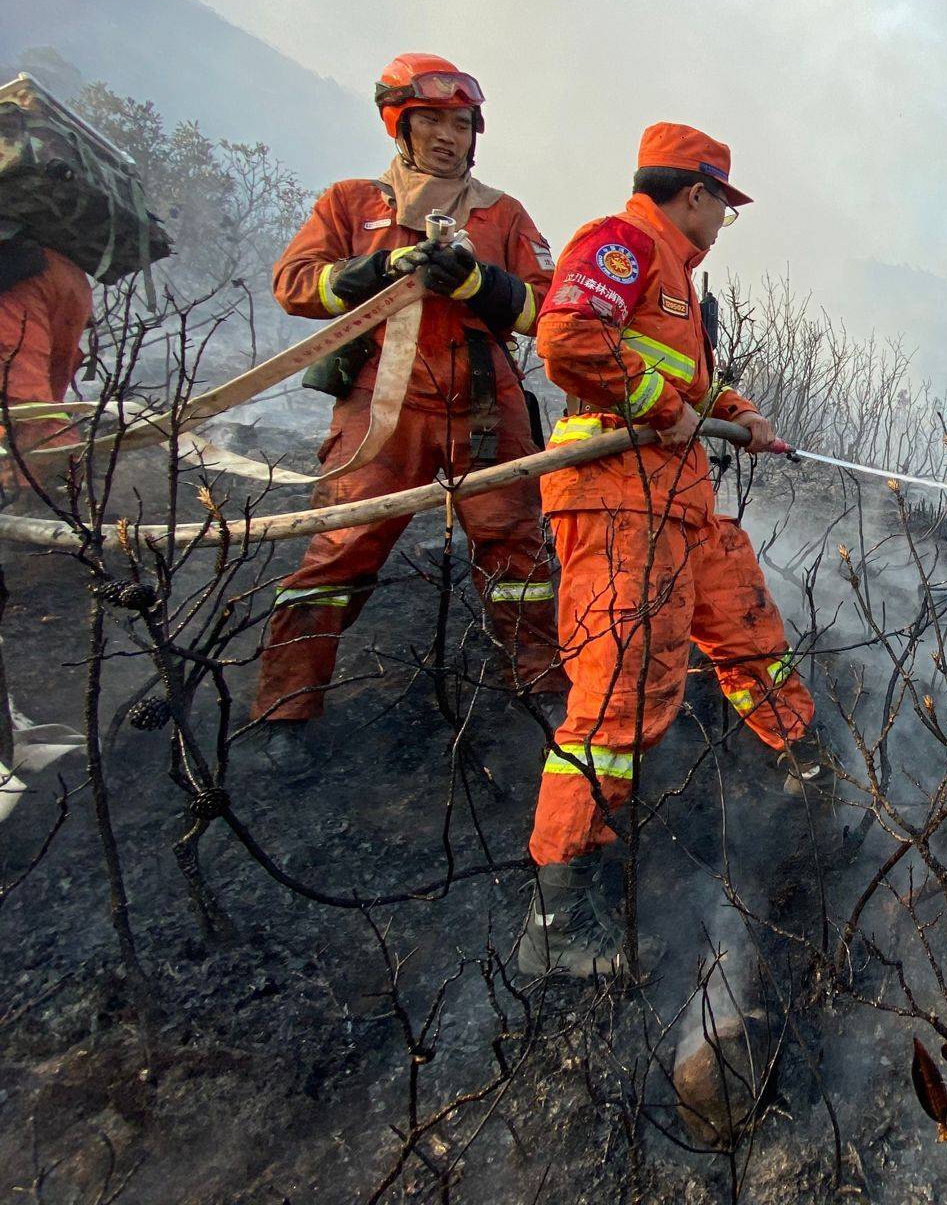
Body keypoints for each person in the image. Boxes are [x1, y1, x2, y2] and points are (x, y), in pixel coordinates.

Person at [518, 122, 816, 978]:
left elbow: (691, 384)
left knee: (747, 624)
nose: (726, 222)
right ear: (697, 193)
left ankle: (809, 772)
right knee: (620, 695)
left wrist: (741, 410)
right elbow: (569, 338)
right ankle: (558, 916)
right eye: (724, 205)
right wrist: (657, 403)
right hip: (618, 497)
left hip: (678, 499)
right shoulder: (620, 244)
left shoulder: (678, 285)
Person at [251, 53, 563, 733]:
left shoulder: (503, 216)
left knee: (519, 555)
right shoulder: (351, 204)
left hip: (485, 408)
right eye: (432, 122)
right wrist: (377, 270)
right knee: (338, 552)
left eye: (460, 123)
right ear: (401, 126)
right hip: (380, 409)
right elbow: (296, 284)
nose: (449, 137)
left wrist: (479, 282)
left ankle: (541, 698)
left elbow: (550, 314)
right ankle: (283, 712)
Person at [0, 234, 92, 498]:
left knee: (25, 402)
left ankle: (41, 490)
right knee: (45, 395)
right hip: (67, 279)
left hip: (19, 281)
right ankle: (61, 483)